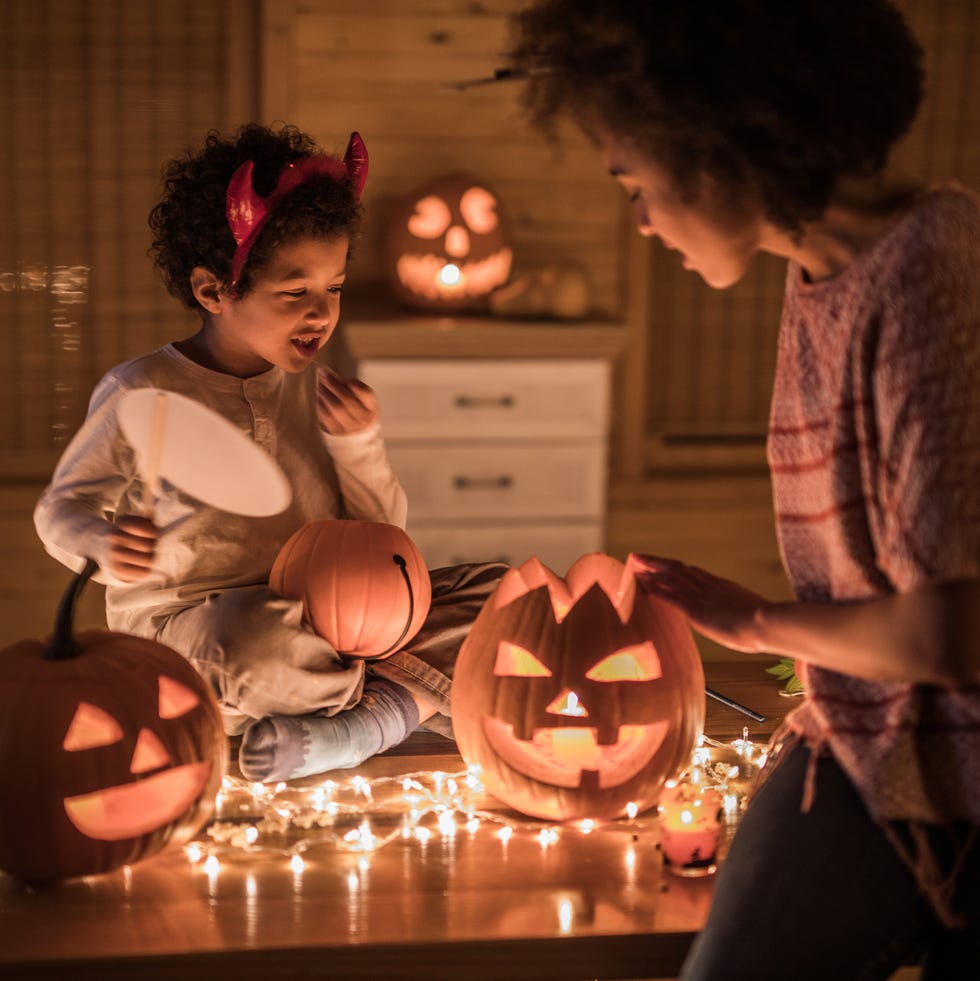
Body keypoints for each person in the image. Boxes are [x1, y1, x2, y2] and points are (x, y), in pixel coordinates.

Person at [507, 2, 979, 978]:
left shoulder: (930, 275)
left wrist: (758, 626)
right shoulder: (818, 274)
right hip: (864, 745)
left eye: (636, 181)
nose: (638, 218)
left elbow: (950, 635)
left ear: (715, 144)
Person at [34, 123, 506, 784]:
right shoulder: (141, 392)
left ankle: (359, 721)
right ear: (213, 291)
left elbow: (387, 541)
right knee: (249, 643)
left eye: (334, 288)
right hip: (200, 635)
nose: (321, 313)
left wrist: (358, 446)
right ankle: (393, 703)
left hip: (332, 619)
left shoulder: (313, 388)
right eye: (294, 293)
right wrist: (103, 543)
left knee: (501, 597)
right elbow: (60, 509)